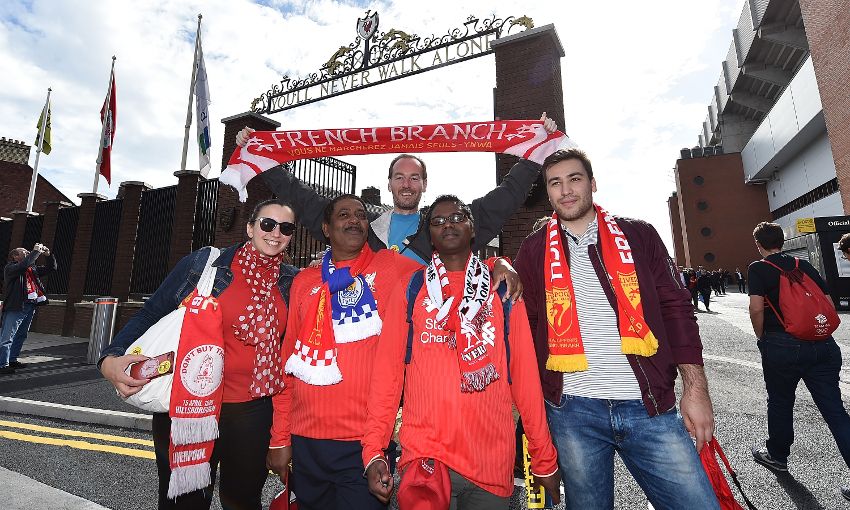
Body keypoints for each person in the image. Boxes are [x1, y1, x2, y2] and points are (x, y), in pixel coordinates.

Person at [514, 149, 719, 510]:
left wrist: (696, 390)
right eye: (555, 183)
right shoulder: (533, 250)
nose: (566, 190)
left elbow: (677, 310)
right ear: (548, 193)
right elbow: (523, 329)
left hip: (649, 406)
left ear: (592, 184)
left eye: (574, 179)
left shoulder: (638, 235)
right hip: (572, 411)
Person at [362, 195, 561, 509]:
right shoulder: (410, 289)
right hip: (425, 460)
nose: (448, 224)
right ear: (429, 236)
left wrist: (543, 456)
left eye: (457, 217)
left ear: (472, 228)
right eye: (437, 221)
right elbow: (386, 378)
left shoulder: (504, 290)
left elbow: (524, 380)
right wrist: (373, 450)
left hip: (490, 463)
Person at [99, 199, 300, 510]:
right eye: (267, 224)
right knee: (183, 502)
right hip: (187, 403)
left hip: (251, 412)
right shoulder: (205, 264)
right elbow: (151, 312)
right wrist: (109, 358)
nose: (276, 233)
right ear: (250, 227)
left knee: (242, 501)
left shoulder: (291, 282)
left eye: (285, 228)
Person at [235, 114, 558, 267]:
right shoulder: (362, 226)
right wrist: (261, 158)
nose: (407, 184)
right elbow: (304, 201)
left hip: (422, 347)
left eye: (414, 178)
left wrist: (534, 155)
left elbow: (498, 203)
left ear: (425, 184)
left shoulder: (444, 226)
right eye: (400, 177)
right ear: (388, 183)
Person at [269, 194, 421, 510]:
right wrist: (280, 438)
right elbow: (287, 366)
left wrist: (497, 262)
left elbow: (447, 268)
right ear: (326, 228)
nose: (354, 219)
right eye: (344, 214)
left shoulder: (391, 267)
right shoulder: (304, 280)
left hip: (365, 444)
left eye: (361, 215)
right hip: (306, 441)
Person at [747, 222, 850, 502]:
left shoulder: (758, 268)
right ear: (782, 241)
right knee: (835, 411)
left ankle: (778, 456)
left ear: (759, 244)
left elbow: (756, 307)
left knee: (780, 401)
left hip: (781, 344)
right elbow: (828, 301)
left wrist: (762, 337)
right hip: (822, 344)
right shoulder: (802, 265)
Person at [0, 243, 56, 375]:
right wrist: (35, 252)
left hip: (30, 306)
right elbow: (23, 265)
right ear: (15, 256)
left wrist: (48, 255)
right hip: (16, 306)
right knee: (7, 336)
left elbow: (51, 268)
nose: (27, 252)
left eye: (27, 251)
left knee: (21, 334)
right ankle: (2, 364)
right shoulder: (11, 268)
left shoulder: (32, 269)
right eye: (23, 252)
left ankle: (12, 359)